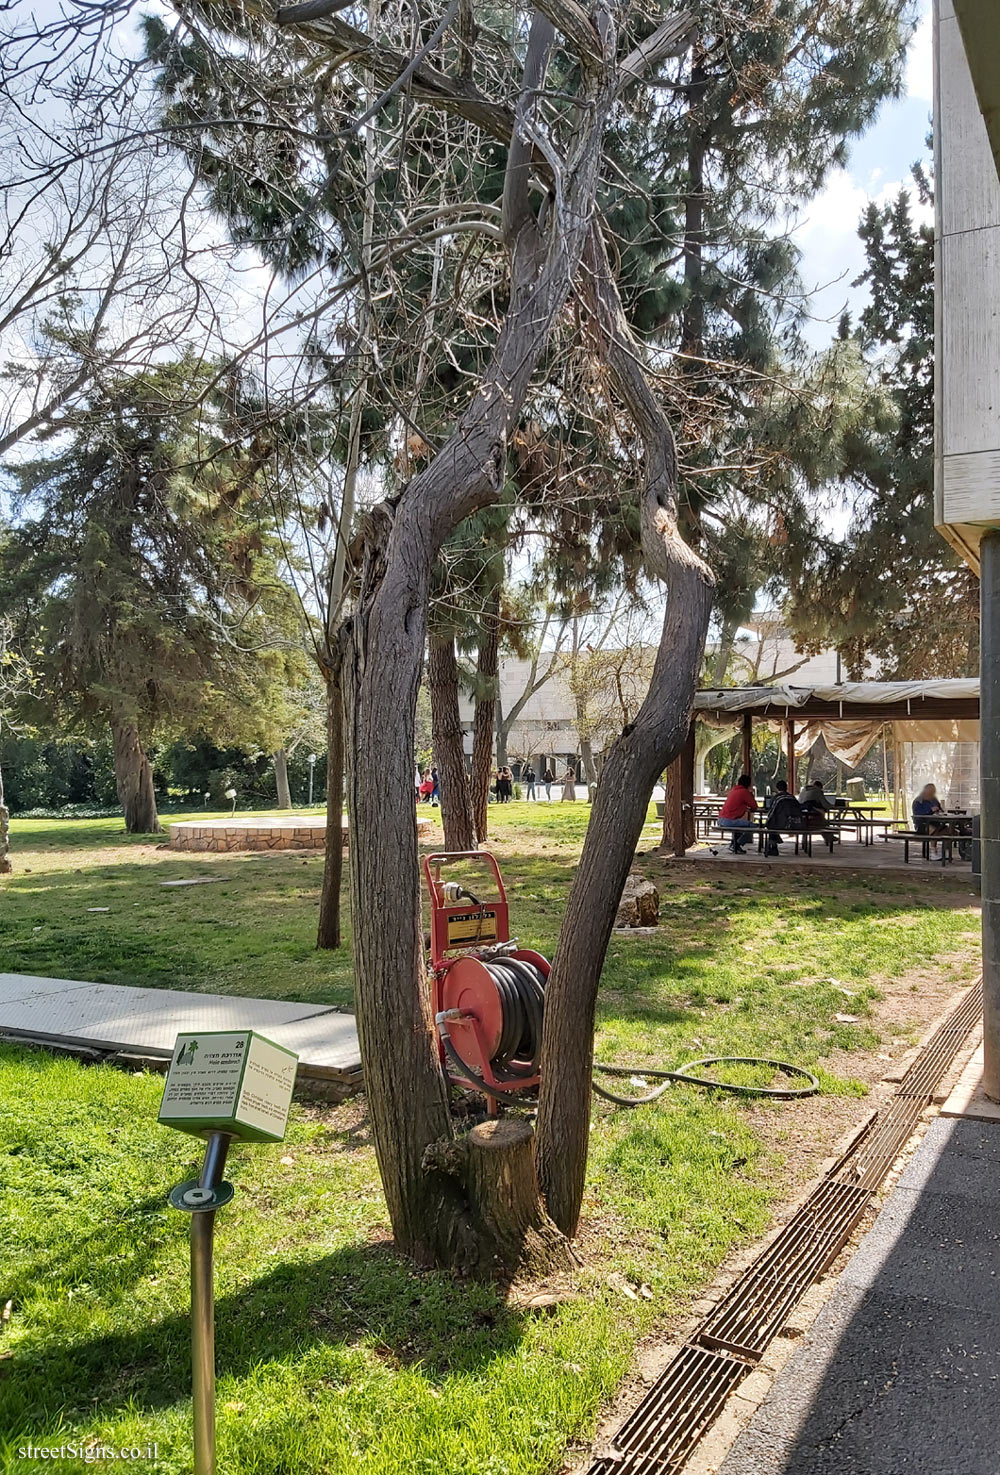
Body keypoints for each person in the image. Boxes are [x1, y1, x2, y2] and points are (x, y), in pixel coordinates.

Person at [718, 774, 758, 852]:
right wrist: (751, 794)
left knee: (741, 824)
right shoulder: (744, 792)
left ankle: (735, 844)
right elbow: (754, 806)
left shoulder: (733, 790)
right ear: (748, 784)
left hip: (721, 819)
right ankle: (737, 844)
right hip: (729, 820)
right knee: (753, 826)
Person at [763, 781, 803, 856]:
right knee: (773, 824)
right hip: (796, 824)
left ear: (777, 788)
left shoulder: (776, 798)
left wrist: (766, 823)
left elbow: (771, 813)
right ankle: (776, 842)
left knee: (771, 825)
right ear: (786, 788)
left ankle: (773, 847)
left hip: (784, 824)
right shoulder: (792, 798)